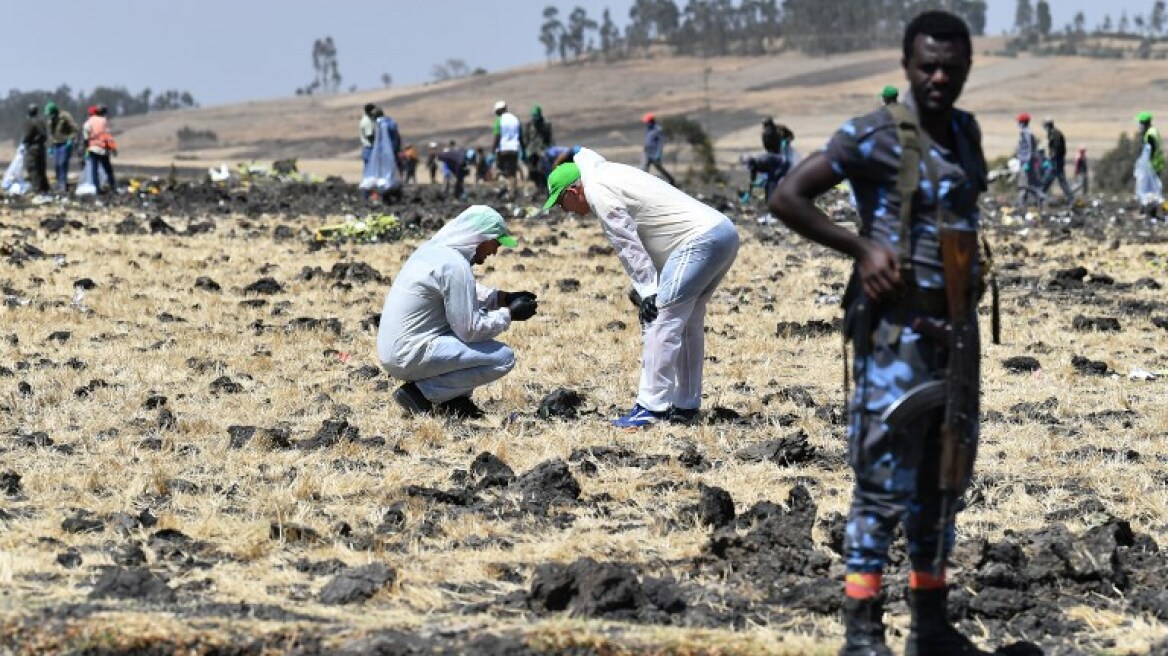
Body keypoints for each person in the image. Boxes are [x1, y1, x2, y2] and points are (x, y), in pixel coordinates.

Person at [770, 11, 990, 656]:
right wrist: (861, 249)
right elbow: (788, 196)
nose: (939, 77)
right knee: (880, 484)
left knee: (943, 479)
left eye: (951, 66)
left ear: (968, 67)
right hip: (896, 334)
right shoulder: (873, 135)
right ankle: (862, 633)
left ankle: (930, 624)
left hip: (956, 331)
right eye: (927, 66)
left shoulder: (967, 133)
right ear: (907, 67)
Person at [544, 147, 739, 428]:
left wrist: (649, 290)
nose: (565, 212)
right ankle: (685, 406)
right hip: (722, 232)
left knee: (661, 320)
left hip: (699, 241)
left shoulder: (598, 188)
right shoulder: (611, 173)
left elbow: (626, 242)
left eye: (561, 204)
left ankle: (652, 407)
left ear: (574, 192)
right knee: (687, 321)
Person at [377, 205, 537, 419]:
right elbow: (470, 330)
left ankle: (452, 400)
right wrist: (508, 314)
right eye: (495, 243)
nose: (495, 251)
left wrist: (503, 298)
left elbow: (462, 291)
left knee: (469, 346)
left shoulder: (435, 251)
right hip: (409, 354)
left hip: (397, 350)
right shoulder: (455, 266)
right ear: (481, 238)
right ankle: (421, 394)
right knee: (502, 357)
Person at [359, 109, 401, 200]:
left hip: (385, 154)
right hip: (392, 151)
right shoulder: (390, 123)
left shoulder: (382, 124)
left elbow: (380, 140)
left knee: (382, 174)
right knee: (391, 173)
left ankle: (384, 192)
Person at [491, 100, 523, 196]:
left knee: (500, 170)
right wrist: (523, 149)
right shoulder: (515, 119)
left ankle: (504, 189)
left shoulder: (499, 120)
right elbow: (520, 136)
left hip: (503, 150)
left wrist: (493, 149)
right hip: (514, 149)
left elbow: (497, 136)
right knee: (512, 172)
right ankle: (513, 193)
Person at [82, 105, 117, 193]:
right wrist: (113, 149)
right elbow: (108, 136)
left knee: (94, 170)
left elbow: (86, 138)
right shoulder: (104, 121)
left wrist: (86, 149)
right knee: (108, 169)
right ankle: (112, 187)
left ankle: (97, 189)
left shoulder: (88, 122)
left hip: (93, 148)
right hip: (103, 149)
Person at [45, 101, 78, 193]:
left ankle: (63, 185)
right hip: (56, 145)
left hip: (65, 144)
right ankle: (59, 184)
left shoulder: (65, 116)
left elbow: (75, 129)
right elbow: (51, 134)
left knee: (62, 164)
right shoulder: (50, 121)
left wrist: (70, 139)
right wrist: (50, 147)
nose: (50, 116)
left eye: (51, 114)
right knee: (56, 165)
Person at [1136, 112, 1164, 217]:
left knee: (1150, 191)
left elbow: (1150, 150)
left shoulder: (1150, 135)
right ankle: (1148, 212)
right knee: (1152, 191)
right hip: (1155, 165)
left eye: (1140, 123)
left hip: (1152, 166)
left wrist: (1146, 165)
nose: (1139, 126)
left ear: (1144, 123)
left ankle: (1150, 212)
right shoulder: (1153, 132)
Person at [1040, 117, 1073, 204]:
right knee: (1057, 180)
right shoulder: (1052, 133)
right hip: (1056, 161)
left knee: (1050, 179)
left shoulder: (1055, 134)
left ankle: (1039, 196)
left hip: (1057, 161)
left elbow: (1056, 148)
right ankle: (1070, 198)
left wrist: (1051, 158)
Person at [524, 104, 555, 193]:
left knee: (542, 170)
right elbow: (526, 138)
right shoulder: (529, 126)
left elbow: (550, 138)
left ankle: (544, 189)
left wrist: (550, 150)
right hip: (531, 151)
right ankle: (538, 187)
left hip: (543, 151)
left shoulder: (546, 125)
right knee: (532, 171)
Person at [1015, 112, 1042, 209]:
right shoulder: (1025, 133)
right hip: (1025, 162)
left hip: (1026, 162)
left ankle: (1021, 203)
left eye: (1019, 121)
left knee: (1024, 183)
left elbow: (1029, 149)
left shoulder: (1026, 133)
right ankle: (1032, 200)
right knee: (1028, 183)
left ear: (1022, 122)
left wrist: (1027, 162)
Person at [20, 104, 50, 194]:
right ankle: (45, 188)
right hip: (41, 148)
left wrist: (23, 142)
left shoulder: (30, 122)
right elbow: (45, 136)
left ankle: (36, 188)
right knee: (41, 169)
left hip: (32, 148)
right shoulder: (41, 122)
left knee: (32, 168)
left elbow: (26, 136)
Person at [640, 113, 676, 186]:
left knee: (659, 167)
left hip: (654, 153)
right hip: (647, 152)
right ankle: (642, 184)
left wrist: (658, 154)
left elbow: (660, 143)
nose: (646, 123)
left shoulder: (658, 130)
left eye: (647, 122)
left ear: (651, 121)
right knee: (643, 168)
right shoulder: (649, 129)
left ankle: (671, 180)